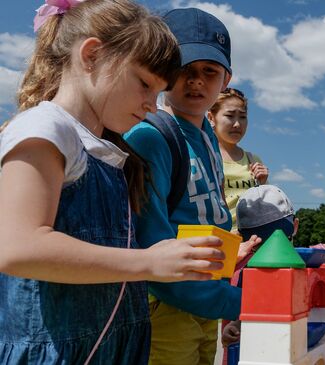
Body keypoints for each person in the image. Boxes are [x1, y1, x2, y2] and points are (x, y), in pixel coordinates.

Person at [0, 1, 225, 364]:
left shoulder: (107, 150)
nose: (153, 104)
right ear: (91, 55)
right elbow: (18, 248)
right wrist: (148, 262)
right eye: (144, 84)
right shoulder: (45, 129)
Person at [124, 8, 248, 364]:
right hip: (166, 304)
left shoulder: (209, 136)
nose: (196, 81)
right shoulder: (150, 137)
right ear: (161, 72)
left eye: (209, 71)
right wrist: (239, 302)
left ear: (225, 79)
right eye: (183, 69)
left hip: (205, 299)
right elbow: (153, 245)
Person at [220, 185, 299, 352]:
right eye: (260, 246)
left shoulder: (303, 268)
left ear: (295, 227)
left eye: (279, 240)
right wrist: (234, 327)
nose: (271, 254)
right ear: (244, 240)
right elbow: (243, 313)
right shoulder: (245, 272)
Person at [207, 88, 269, 231]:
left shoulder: (253, 159)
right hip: (218, 239)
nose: (237, 124)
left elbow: (263, 207)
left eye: (242, 117)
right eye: (230, 116)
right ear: (211, 118)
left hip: (251, 240)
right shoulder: (204, 156)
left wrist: (264, 185)